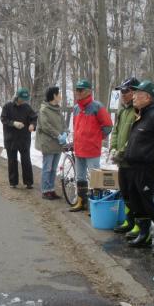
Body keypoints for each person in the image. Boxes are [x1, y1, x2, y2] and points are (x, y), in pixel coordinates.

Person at [122, 80, 154, 249]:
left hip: (147, 169)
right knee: (137, 203)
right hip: (132, 168)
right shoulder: (140, 116)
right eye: (134, 94)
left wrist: (153, 158)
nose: (134, 97)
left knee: (151, 203)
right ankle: (144, 235)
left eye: (138, 94)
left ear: (148, 97)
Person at [68, 79, 113, 212]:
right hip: (79, 148)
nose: (78, 93)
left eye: (81, 90)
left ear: (88, 92)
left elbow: (108, 126)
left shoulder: (97, 107)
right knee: (80, 177)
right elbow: (75, 127)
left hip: (92, 149)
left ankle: (96, 204)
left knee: (95, 177)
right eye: (77, 90)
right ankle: (82, 201)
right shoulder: (76, 108)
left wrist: (97, 137)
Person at [110, 77, 139, 234]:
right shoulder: (122, 110)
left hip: (132, 161)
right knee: (125, 192)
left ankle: (138, 224)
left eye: (125, 91)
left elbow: (134, 136)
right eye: (121, 91)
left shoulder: (138, 110)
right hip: (121, 162)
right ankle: (129, 221)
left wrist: (123, 152)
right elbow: (115, 131)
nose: (122, 94)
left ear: (134, 92)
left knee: (135, 194)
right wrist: (113, 148)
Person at [0, 88, 38, 189]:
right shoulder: (7, 107)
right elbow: (3, 119)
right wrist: (13, 123)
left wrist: (32, 125)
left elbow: (34, 118)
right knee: (12, 160)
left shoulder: (27, 107)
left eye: (25, 99)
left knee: (26, 160)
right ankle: (13, 182)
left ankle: (28, 182)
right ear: (17, 97)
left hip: (24, 138)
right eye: (22, 99)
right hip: (11, 138)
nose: (23, 101)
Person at [35, 86, 67, 199]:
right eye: (59, 94)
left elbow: (63, 123)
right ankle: (45, 190)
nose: (61, 96)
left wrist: (64, 133)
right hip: (48, 143)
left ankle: (51, 189)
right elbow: (45, 126)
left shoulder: (57, 109)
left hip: (58, 144)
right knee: (47, 168)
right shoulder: (44, 110)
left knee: (54, 169)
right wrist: (58, 135)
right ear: (54, 95)